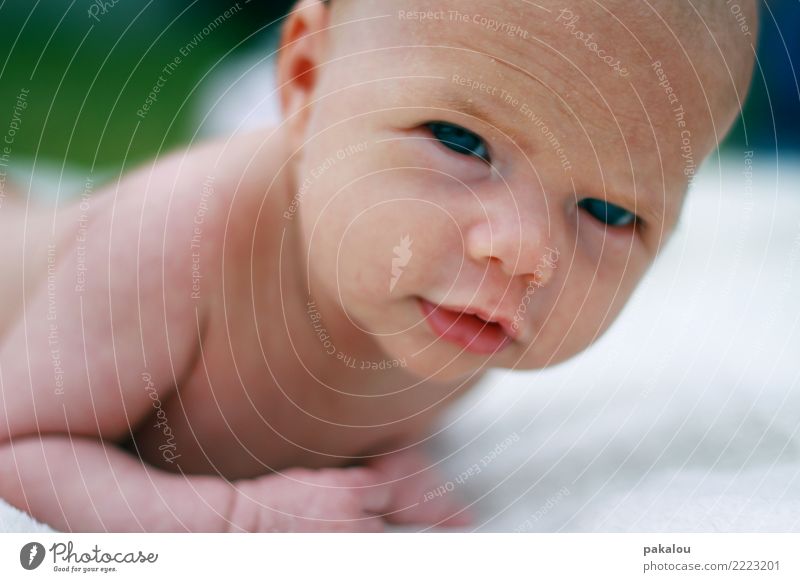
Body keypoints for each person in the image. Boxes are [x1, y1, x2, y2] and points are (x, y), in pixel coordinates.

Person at [0, 0, 757, 532]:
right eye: (461, 142)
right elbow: (16, 450)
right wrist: (234, 524)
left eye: (610, 213)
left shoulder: (454, 297)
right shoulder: (180, 241)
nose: (526, 253)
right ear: (306, 76)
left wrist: (386, 457)